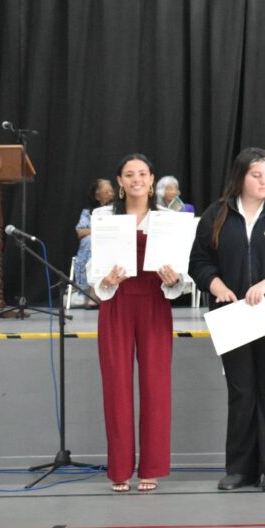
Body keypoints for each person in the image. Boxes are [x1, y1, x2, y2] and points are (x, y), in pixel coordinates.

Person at [189, 148, 265, 492]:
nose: (263, 181)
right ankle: (240, 468)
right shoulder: (217, 214)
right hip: (232, 316)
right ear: (240, 177)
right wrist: (217, 285)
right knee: (241, 392)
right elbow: (199, 262)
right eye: (256, 175)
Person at [88, 154, 183, 493]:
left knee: (156, 385)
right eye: (129, 174)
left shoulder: (168, 220)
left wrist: (174, 279)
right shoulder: (103, 217)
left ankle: (151, 467)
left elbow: (181, 273)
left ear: (152, 178)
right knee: (116, 385)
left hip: (155, 304)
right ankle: (119, 468)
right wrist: (105, 280)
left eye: (142, 173)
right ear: (120, 181)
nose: (136, 179)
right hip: (116, 303)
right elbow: (94, 269)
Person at [74, 178, 114, 306]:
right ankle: (93, 290)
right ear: (97, 196)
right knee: (90, 240)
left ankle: (96, 292)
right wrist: (100, 231)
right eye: (107, 192)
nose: (111, 194)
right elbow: (80, 232)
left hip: (113, 245)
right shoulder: (88, 212)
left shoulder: (117, 210)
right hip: (95, 246)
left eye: (111, 191)